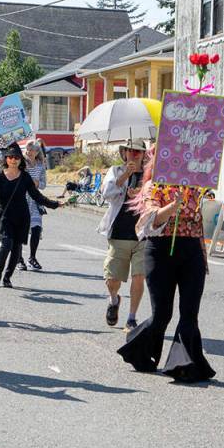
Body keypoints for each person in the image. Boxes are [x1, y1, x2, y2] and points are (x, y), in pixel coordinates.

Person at [116, 156, 216, 383]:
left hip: (191, 251)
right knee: (162, 314)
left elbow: (200, 221)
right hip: (161, 250)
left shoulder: (198, 185)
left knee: (190, 313)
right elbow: (150, 220)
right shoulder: (155, 185)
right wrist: (172, 206)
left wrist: (203, 256)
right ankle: (138, 348)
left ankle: (183, 366)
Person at [0, 143, 61, 288]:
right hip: (5, 217)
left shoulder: (25, 177)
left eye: (16, 157)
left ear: (21, 160)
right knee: (6, 244)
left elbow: (36, 196)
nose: (13, 160)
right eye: (10, 157)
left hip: (22, 217)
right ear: (6, 159)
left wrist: (54, 204)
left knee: (16, 248)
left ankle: (7, 277)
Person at [97, 140, 148, 331]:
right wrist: (126, 175)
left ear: (144, 155)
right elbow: (106, 194)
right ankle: (113, 299)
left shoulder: (150, 174)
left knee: (139, 276)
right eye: (131, 151)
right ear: (124, 153)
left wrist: (141, 195)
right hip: (119, 233)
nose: (134, 154)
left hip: (142, 235)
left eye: (138, 152)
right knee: (112, 280)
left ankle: (132, 317)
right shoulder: (116, 171)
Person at [18, 139, 49, 271]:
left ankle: (32, 257)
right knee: (20, 230)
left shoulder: (40, 165)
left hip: (35, 201)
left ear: (37, 152)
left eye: (31, 150)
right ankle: (19, 259)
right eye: (27, 149)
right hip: (21, 200)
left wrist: (37, 184)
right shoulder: (21, 163)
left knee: (36, 229)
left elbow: (43, 184)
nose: (29, 152)